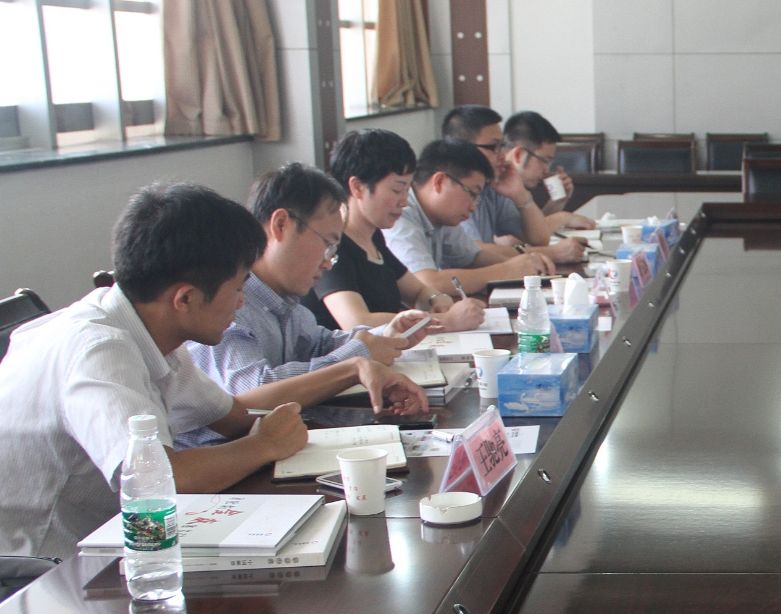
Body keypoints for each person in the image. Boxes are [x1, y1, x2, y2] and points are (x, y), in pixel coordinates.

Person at [0, 184, 308, 558]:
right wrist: (264, 445)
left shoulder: (149, 329)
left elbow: (234, 417)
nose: (242, 303)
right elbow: (160, 480)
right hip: (41, 570)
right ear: (185, 298)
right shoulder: (100, 349)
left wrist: (290, 429)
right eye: (238, 288)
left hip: (120, 540)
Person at [184, 163, 430, 436]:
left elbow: (319, 344)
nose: (328, 263)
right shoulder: (229, 304)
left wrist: (383, 336)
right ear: (281, 225)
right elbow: (252, 393)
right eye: (327, 244)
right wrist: (357, 359)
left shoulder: (286, 303)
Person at [307, 129, 486, 333]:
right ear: (357, 187)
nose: (404, 201)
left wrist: (436, 298)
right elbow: (356, 322)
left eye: (407, 190)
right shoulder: (333, 245)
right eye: (396, 190)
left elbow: (418, 291)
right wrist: (445, 320)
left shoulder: (373, 236)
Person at [385, 138, 558, 295]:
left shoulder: (441, 217)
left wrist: (525, 265)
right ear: (439, 182)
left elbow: (473, 258)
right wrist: (506, 270)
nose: (473, 206)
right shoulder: (400, 215)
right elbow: (428, 283)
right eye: (472, 193)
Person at [442, 104, 588, 263]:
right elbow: (474, 250)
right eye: (494, 147)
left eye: (501, 146)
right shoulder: (453, 190)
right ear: (463, 149)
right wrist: (552, 252)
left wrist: (520, 194)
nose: (502, 154)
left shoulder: (493, 187)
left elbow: (539, 238)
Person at [502, 111, 593, 223]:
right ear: (518, 155)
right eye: (544, 160)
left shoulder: (518, 185)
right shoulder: (497, 189)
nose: (546, 169)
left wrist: (557, 201)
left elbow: (534, 228)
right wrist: (563, 218)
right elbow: (515, 234)